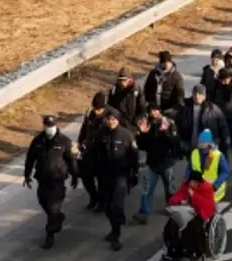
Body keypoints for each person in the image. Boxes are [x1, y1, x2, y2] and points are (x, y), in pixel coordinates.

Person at [24, 116, 78, 249]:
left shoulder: (64, 141)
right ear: (43, 125)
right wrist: (27, 175)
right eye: (47, 125)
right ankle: (58, 217)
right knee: (43, 202)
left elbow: (72, 160)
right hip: (43, 179)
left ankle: (50, 233)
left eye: (52, 125)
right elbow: (30, 159)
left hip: (57, 180)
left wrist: (75, 176)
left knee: (53, 206)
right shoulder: (38, 141)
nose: (49, 128)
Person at [92, 109, 140, 251]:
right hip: (104, 175)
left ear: (118, 120)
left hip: (121, 175)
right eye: (109, 119)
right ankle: (114, 225)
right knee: (106, 205)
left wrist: (134, 174)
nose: (111, 122)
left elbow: (134, 156)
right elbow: (95, 152)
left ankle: (116, 234)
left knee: (116, 205)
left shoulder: (126, 135)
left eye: (114, 120)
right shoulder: (101, 134)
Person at [135, 103, 180, 225]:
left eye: (155, 110)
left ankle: (172, 209)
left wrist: (166, 133)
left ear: (160, 111)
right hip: (152, 163)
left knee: (170, 188)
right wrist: (142, 133)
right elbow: (143, 146)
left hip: (166, 162)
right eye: (151, 111)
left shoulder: (168, 123)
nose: (153, 113)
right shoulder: (148, 124)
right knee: (147, 189)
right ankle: (144, 212)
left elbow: (175, 143)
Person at [164, 170, 216, 261]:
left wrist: (193, 196)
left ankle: (196, 252)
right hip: (185, 211)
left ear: (198, 182)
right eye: (191, 182)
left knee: (193, 226)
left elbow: (207, 204)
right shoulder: (186, 185)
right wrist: (179, 202)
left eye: (194, 182)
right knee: (171, 224)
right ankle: (174, 250)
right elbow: (178, 196)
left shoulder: (207, 188)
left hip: (199, 213)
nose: (191, 184)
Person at [77, 92, 115, 211]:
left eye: (99, 109)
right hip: (89, 149)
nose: (96, 111)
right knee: (86, 176)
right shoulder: (89, 114)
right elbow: (84, 128)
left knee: (103, 179)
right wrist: (80, 141)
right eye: (95, 109)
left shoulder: (112, 115)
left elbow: (116, 132)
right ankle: (94, 197)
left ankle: (103, 202)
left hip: (104, 151)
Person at [175, 84, 230, 156]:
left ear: (204, 96)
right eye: (195, 93)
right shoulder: (185, 108)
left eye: (200, 94)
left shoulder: (213, 109)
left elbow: (223, 126)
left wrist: (226, 140)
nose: (197, 96)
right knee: (194, 165)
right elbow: (177, 125)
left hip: (208, 146)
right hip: (191, 146)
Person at [183, 130, 230, 203]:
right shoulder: (194, 153)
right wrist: (187, 180)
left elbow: (225, 172)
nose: (201, 144)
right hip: (199, 187)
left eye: (203, 142)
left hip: (214, 188)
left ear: (209, 143)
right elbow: (189, 168)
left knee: (206, 206)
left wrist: (215, 186)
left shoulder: (218, 155)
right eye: (199, 142)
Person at [143, 51, 186, 115]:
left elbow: (180, 94)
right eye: (164, 62)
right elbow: (146, 88)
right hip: (153, 109)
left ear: (171, 62)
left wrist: (175, 108)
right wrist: (147, 103)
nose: (166, 64)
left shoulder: (177, 76)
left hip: (168, 110)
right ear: (160, 63)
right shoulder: (153, 73)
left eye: (168, 62)